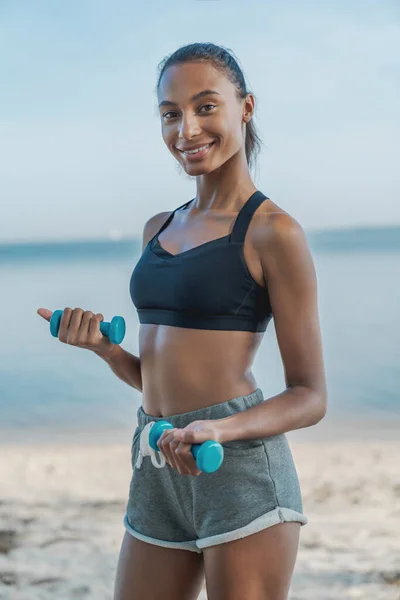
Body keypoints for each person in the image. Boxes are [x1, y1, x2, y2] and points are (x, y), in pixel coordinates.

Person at [38, 42, 327, 600]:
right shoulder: (158, 228)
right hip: (155, 456)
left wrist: (218, 429)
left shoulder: (273, 232)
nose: (186, 129)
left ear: (245, 108)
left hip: (235, 464)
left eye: (205, 106)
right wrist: (106, 349)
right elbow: (164, 379)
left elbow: (310, 396)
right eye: (170, 113)